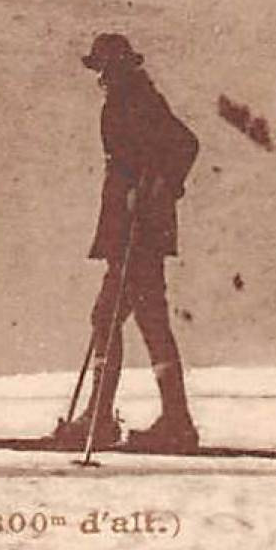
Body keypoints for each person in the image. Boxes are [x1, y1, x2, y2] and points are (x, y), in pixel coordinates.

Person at [55, 34, 200, 452]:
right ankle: (169, 421)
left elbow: (184, 145)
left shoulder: (137, 100)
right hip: (130, 228)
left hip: (138, 230)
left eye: (102, 67)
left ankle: (109, 420)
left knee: (115, 319)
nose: (99, 76)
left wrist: (155, 188)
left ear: (117, 66)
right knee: (131, 319)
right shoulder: (131, 98)